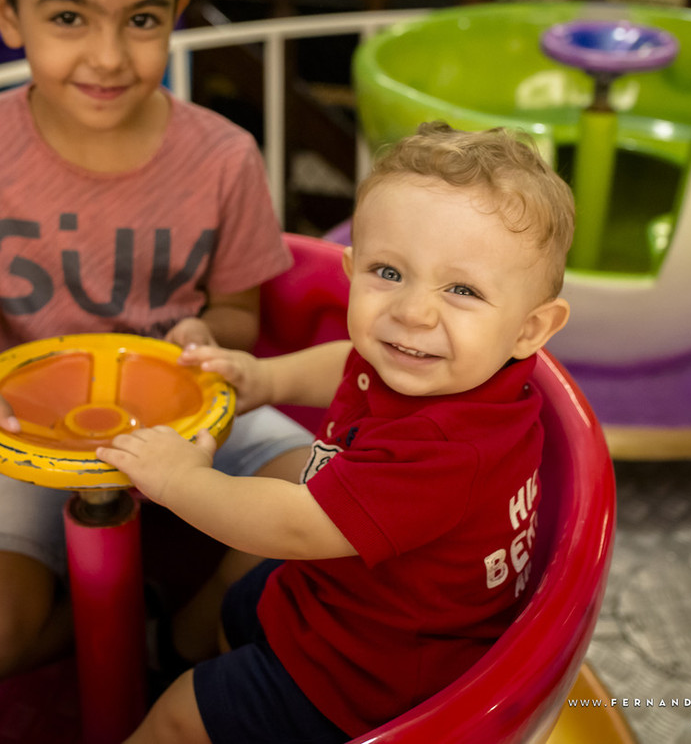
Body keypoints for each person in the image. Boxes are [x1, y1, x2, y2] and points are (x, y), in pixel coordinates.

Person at [0, 0, 313, 684]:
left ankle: (196, 622)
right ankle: (145, 606)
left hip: (192, 402)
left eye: (142, 19)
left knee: (328, 494)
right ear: (6, 12)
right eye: (68, 17)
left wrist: (208, 334)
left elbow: (239, 318)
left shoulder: (225, 155)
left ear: (176, 15)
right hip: (29, 421)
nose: (108, 56)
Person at [99, 121, 577, 743]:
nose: (412, 311)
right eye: (388, 272)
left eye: (461, 289)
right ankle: (173, 647)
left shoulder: (449, 449)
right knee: (239, 603)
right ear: (351, 271)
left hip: (370, 679)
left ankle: (191, 685)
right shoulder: (443, 367)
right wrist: (265, 380)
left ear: (530, 328)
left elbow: (294, 524)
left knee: (179, 716)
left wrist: (178, 479)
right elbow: (349, 366)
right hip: (340, 602)